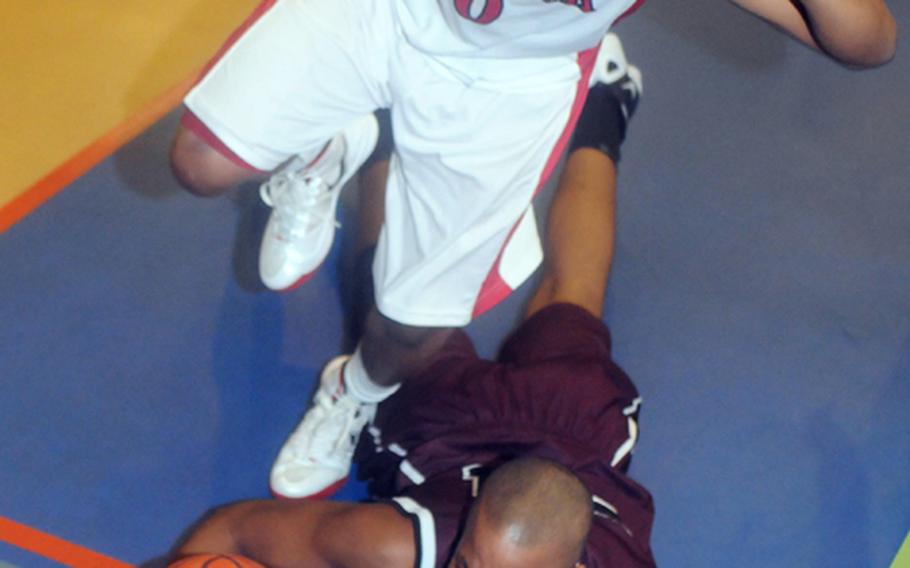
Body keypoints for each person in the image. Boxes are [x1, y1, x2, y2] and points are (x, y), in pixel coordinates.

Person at [168, 0, 897, 501]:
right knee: (199, 164)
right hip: (383, 12)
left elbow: (869, 41)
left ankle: (352, 390)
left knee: (412, 329)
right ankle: (335, 141)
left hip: (507, 87)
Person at [169, 46, 654, 567]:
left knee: (566, 293)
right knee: (398, 314)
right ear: (463, 540)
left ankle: (606, 98)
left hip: (566, 438)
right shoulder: (404, 546)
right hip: (463, 428)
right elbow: (234, 532)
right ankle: (386, 116)